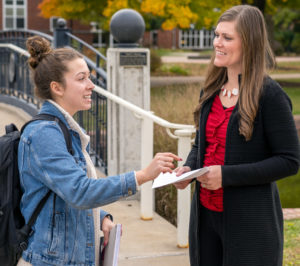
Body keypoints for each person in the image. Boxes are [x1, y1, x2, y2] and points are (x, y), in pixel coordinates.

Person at [17, 36, 181, 266]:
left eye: (90, 77)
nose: (91, 85)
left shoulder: (64, 128)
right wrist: (143, 175)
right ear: (57, 88)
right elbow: (79, 191)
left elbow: (62, 195)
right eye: (82, 78)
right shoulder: (44, 134)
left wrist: (100, 218)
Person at [174, 5, 300, 266]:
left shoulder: (271, 96)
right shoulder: (210, 90)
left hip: (250, 224)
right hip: (206, 220)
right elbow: (201, 145)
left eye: (227, 38)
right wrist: (188, 169)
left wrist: (226, 176)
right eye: (217, 35)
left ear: (250, 43)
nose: (217, 43)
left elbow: (289, 160)